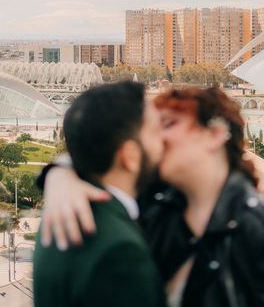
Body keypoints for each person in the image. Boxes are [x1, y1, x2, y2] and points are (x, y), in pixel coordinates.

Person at [40, 86, 264, 307]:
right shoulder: (158, 205)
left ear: (215, 135)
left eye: (166, 124)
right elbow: (103, 156)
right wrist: (59, 176)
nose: (156, 138)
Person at [33, 81, 166, 307]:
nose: (164, 142)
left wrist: (58, 173)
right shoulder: (120, 252)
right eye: (156, 132)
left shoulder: (61, 217)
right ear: (130, 155)